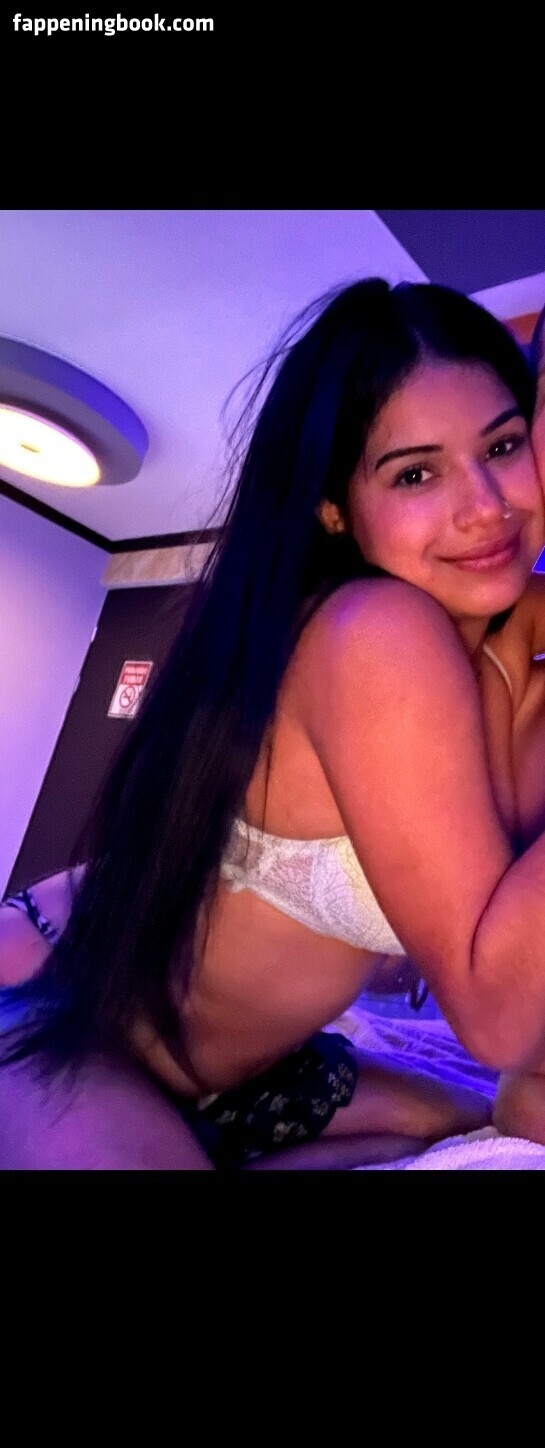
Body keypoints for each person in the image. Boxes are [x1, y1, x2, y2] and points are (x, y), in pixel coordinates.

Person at [4, 277, 545, 1172]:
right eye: (414, 473)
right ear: (333, 507)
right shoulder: (373, 630)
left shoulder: (500, 652)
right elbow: (496, 1017)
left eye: (502, 444)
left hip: (255, 1074)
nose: (483, 504)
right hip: (65, 1011)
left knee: (473, 1128)